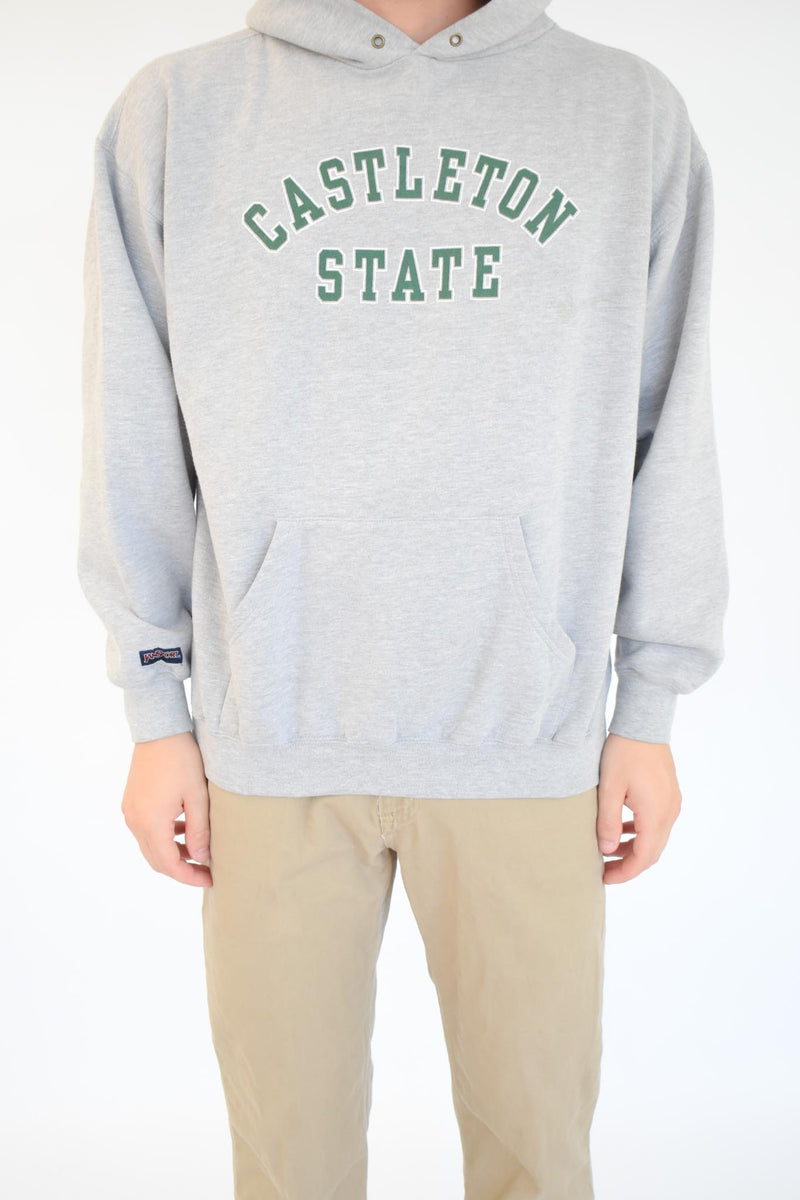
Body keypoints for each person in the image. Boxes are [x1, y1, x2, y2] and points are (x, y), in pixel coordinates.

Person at [76, 0, 729, 1196]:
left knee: (538, 1157)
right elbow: (133, 429)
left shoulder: (622, 111)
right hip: (267, 734)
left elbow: (667, 424)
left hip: (525, 735)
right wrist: (155, 711)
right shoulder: (179, 111)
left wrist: (649, 705)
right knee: (288, 1166)